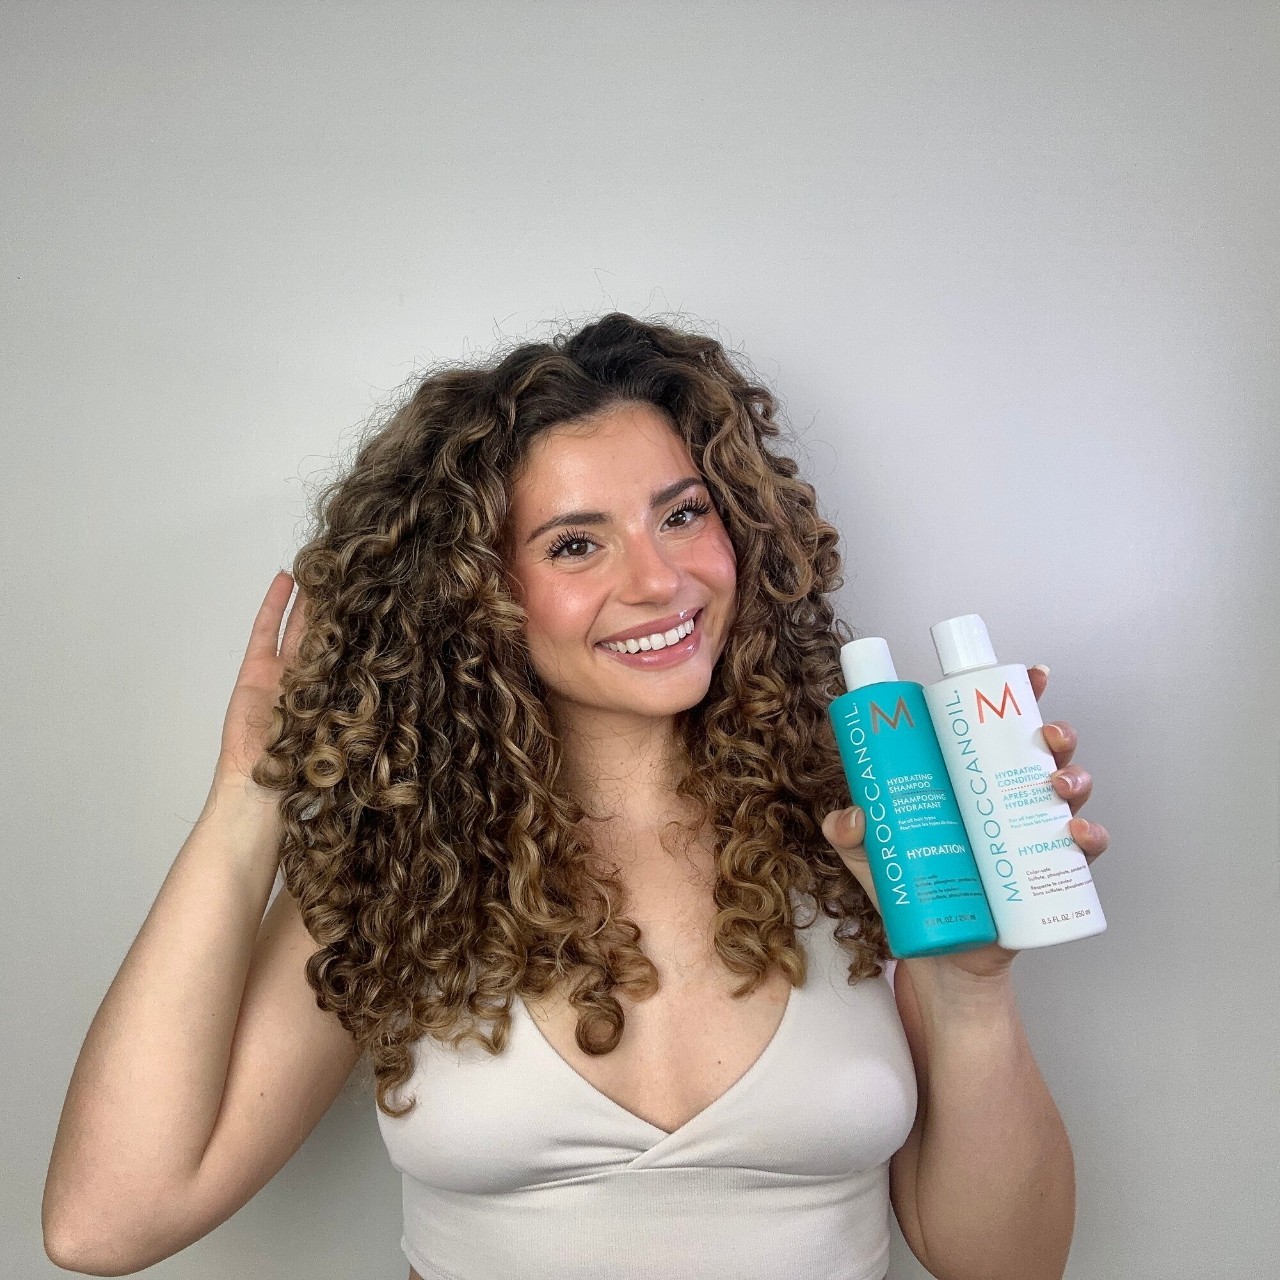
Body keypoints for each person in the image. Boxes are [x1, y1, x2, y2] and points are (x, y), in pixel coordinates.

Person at [43, 312, 1108, 1279]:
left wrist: (969, 988)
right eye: (575, 543)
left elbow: (1006, 1267)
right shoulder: (401, 870)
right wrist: (252, 792)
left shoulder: (867, 823)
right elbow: (105, 1222)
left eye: (681, 514)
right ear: (476, 592)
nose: (657, 581)